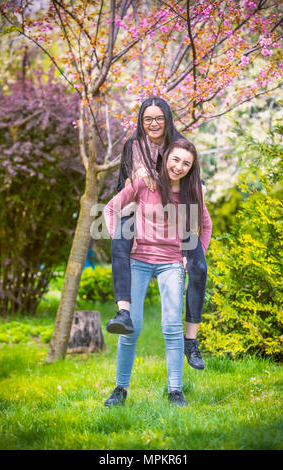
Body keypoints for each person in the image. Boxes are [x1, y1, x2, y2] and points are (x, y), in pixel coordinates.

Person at [103, 139, 212, 407]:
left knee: (171, 328)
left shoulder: (192, 192)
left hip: (172, 263)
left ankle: (175, 391)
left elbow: (205, 226)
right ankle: (120, 389)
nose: (179, 166)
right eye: (175, 159)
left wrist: (194, 256)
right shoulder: (145, 184)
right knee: (131, 328)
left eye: (186, 163)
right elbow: (110, 208)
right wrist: (119, 239)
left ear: (191, 167)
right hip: (138, 261)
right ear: (166, 159)